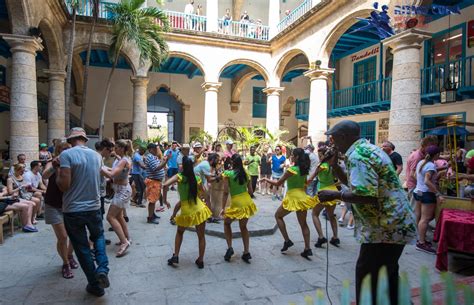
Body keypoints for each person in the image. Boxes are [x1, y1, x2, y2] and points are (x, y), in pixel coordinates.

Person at [317, 120, 416, 305]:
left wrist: (334, 194)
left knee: (367, 273)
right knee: (387, 272)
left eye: (333, 138)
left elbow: (367, 195)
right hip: (393, 221)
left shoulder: (358, 156)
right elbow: (356, 184)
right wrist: (336, 166)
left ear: (344, 137)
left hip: (385, 225)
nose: (331, 143)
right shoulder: (366, 149)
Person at [56, 127, 109, 297]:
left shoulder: (67, 155)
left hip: (73, 209)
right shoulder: (97, 156)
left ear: (71, 140)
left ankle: (95, 285)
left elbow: (64, 185)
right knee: (98, 237)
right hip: (94, 207)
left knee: (82, 247)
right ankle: (102, 268)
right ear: (85, 139)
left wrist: (57, 170)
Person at [261, 148, 316, 258]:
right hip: (302, 197)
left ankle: (287, 240)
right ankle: (307, 248)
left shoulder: (292, 170)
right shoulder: (303, 170)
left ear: (296, 157)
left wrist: (265, 179)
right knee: (304, 224)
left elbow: (278, 183)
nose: (291, 157)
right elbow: (305, 184)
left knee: (278, 216)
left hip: (292, 197)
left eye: (292, 155)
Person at [166, 156, 211, 269]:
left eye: (181, 164)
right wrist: (204, 198)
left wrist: (164, 200)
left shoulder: (179, 177)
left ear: (183, 166)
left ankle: (175, 255)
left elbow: (165, 184)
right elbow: (205, 193)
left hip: (186, 211)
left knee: (180, 232)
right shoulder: (196, 178)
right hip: (199, 209)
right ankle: (200, 260)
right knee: (201, 236)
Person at [42, 141, 78, 279]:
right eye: (63, 149)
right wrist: (55, 166)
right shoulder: (52, 162)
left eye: (68, 149)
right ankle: (65, 264)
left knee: (74, 235)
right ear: (58, 151)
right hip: (53, 204)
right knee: (63, 237)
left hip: (70, 203)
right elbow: (45, 175)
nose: (66, 152)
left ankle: (69, 255)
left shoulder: (72, 163)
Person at [220, 154, 257, 263]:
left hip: (236, 203)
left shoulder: (228, 174)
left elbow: (226, 192)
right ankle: (246, 252)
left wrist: (223, 208)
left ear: (232, 163)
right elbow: (251, 192)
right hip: (246, 202)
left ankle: (230, 247)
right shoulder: (246, 173)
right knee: (243, 227)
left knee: (227, 223)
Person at [101, 140, 133, 257]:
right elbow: (114, 171)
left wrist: (99, 167)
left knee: (110, 217)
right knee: (119, 216)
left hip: (122, 191)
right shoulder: (122, 159)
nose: (114, 149)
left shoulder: (123, 160)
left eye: (116, 147)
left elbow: (112, 174)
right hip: (120, 190)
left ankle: (124, 243)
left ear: (120, 148)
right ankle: (127, 238)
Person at [414, 145, 444, 254]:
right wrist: (437, 194)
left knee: (421, 217)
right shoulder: (430, 165)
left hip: (418, 192)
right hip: (426, 194)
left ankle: (420, 238)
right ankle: (421, 243)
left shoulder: (421, 162)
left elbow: (416, 175)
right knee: (426, 219)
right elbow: (427, 181)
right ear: (436, 155)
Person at [308, 145, 340, 248]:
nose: (319, 157)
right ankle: (335, 238)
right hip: (333, 191)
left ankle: (321, 237)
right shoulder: (333, 166)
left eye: (320, 155)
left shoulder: (322, 166)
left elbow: (311, 177)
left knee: (314, 214)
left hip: (323, 192)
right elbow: (339, 179)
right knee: (331, 216)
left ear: (324, 156)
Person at [405, 136, 438, 210]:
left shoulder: (422, 155)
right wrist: (423, 182)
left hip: (417, 187)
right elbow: (412, 174)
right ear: (424, 146)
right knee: (414, 210)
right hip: (415, 187)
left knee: (418, 211)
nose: (431, 149)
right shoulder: (417, 156)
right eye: (430, 146)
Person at [144, 143, 169, 224]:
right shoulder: (150, 157)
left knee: (154, 200)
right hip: (153, 182)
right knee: (152, 201)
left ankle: (152, 214)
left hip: (156, 181)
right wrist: (165, 162)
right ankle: (150, 218)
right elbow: (156, 168)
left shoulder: (153, 157)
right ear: (151, 149)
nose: (157, 150)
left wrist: (163, 161)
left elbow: (158, 165)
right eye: (155, 149)